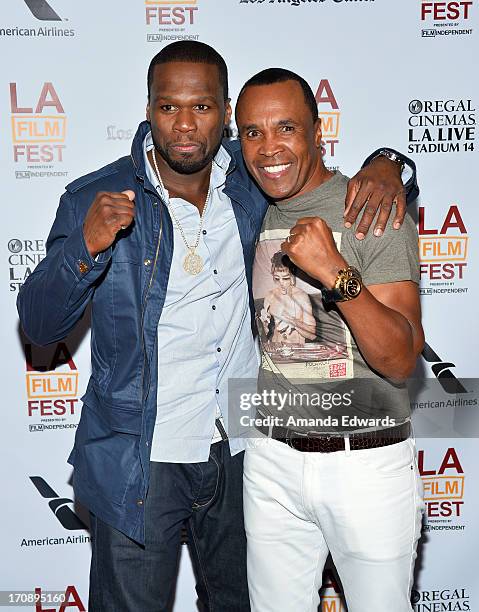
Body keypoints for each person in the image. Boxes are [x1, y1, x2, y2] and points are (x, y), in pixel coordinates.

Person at [17, 41, 418, 612]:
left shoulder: (251, 183)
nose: (184, 125)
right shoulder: (93, 197)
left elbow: (309, 167)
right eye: (168, 107)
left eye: (202, 107)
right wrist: (84, 247)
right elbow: (37, 322)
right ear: (148, 109)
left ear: (225, 112)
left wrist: (390, 163)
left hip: (243, 456)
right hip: (142, 459)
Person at [236, 68, 425, 612]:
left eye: (286, 128)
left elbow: (399, 360)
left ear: (319, 132)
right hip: (271, 461)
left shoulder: (373, 210)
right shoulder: (250, 203)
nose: (269, 148)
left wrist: (336, 272)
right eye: (252, 132)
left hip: (363, 464)